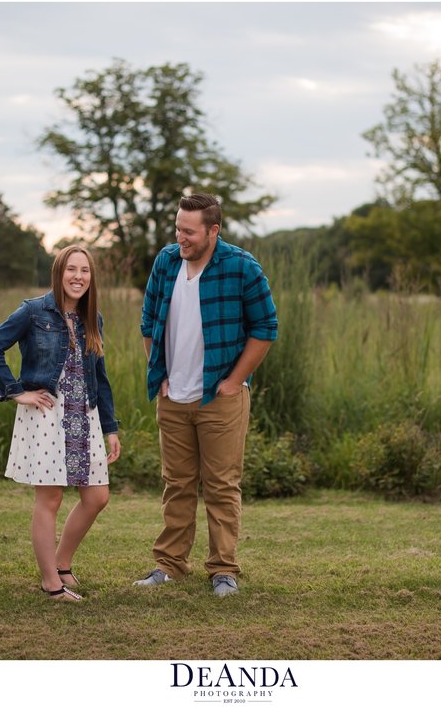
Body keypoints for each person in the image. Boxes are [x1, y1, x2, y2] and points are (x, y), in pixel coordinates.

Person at [134, 193, 278, 596]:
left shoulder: (241, 267)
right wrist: (157, 370)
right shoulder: (165, 262)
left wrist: (233, 382)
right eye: (178, 228)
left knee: (220, 486)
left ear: (214, 230)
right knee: (176, 484)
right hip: (173, 397)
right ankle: (169, 565)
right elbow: (148, 322)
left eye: (189, 231)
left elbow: (266, 327)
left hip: (221, 399)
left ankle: (223, 571)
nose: (181, 237)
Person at [0, 245, 121, 601]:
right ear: (59, 274)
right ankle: (50, 583)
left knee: (97, 496)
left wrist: (110, 426)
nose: (78, 276)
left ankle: (62, 563)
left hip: (83, 414)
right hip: (46, 414)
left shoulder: (93, 318)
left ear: (91, 277)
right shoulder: (33, 311)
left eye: (85, 271)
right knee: (51, 498)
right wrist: (16, 392)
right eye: (71, 269)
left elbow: (99, 376)